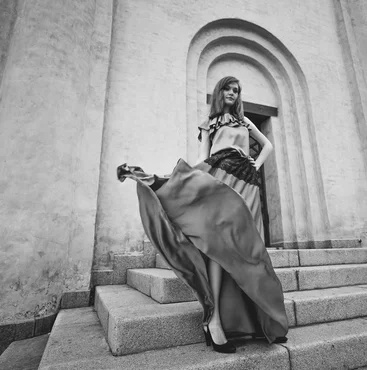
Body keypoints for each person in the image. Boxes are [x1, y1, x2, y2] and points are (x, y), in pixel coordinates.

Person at [117, 76, 288, 354]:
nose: (232, 93)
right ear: (220, 92)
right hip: (220, 181)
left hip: (247, 186)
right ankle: (216, 321)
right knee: (218, 250)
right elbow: (201, 159)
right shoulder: (209, 123)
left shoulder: (245, 122)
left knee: (249, 251)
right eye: (228, 89)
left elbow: (267, 145)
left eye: (236, 90)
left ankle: (262, 322)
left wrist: (255, 164)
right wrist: (175, 177)